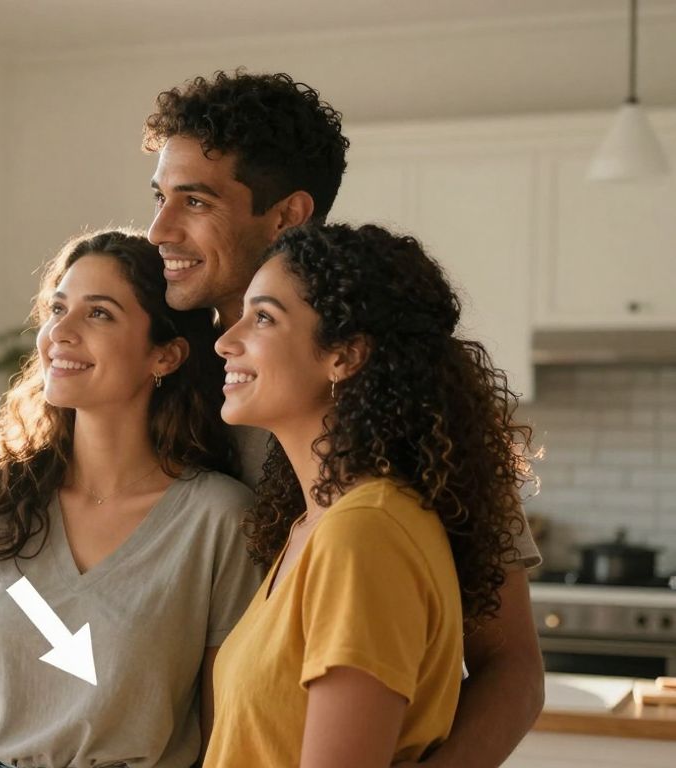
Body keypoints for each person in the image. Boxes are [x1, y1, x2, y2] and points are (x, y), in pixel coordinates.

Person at [143, 71, 543, 767]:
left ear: (287, 214)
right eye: (159, 197)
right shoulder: (159, 376)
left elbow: (509, 667)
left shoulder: (410, 426)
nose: (159, 230)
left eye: (195, 200)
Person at [0, 230, 261, 768]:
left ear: (164, 356)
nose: (60, 333)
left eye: (98, 314)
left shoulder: (219, 521)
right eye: (57, 308)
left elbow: (223, 734)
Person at [203, 222, 535, 765]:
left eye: (262, 317)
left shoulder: (364, 534)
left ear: (344, 355)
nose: (225, 340)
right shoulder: (316, 525)